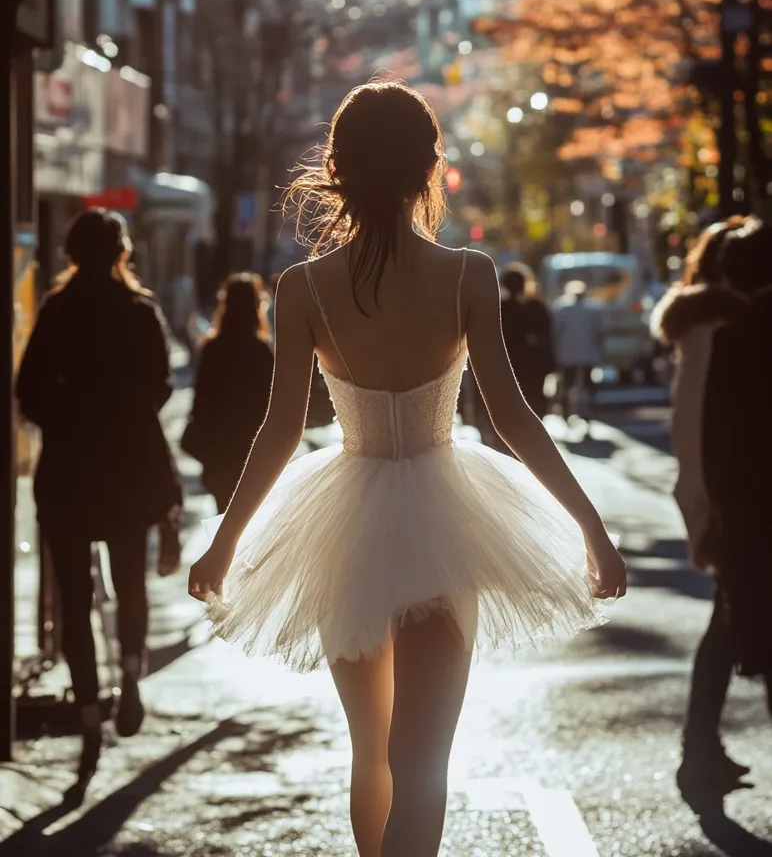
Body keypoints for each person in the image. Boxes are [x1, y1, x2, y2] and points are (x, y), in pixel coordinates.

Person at [188, 81, 626, 857]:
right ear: (430, 168)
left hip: (344, 530)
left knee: (371, 754)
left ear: (338, 168)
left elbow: (279, 430)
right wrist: (591, 530)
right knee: (421, 761)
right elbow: (515, 417)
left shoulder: (300, 289)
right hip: (445, 525)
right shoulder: (468, 275)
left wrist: (226, 542)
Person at [16, 209, 182, 793]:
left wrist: (69, 420)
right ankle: (131, 677)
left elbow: (28, 390)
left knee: (75, 600)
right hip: (128, 470)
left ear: (70, 254)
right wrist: (124, 414)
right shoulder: (140, 313)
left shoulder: (57, 312)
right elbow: (162, 382)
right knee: (129, 582)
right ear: (121, 252)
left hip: (66, 472)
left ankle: (89, 716)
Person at [650, 219, 750, 790]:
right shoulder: (719, 324)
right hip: (726, 492)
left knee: (731, 618)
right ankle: (698, 748)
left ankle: (701, 746)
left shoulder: (704, 323)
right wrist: (707, 502)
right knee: (732, 619)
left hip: (715, 488)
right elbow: (701, 422)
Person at [699, 219, 772, 787]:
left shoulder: (735, 335)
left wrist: (723, 518)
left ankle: (697, 744)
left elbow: (716, 446)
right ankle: (698, 744)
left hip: (756, 520)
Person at [183, 274, 274, 512]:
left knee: (222, 514)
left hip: (219, 448)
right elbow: (270, 405)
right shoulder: (262, 352)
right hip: (251, 450)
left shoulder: (212, 348)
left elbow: (201, 399)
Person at [499, 262, 554, 420]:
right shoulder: (537, 307)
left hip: (509, 366)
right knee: (534, 404)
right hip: (534, 366)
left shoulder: (499, 308)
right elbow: (548, 336)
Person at [552, 280, 603, 420]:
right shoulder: (593, 309)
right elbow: (599, 332)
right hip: (587, 352)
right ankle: (590, 410)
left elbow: (555, 331)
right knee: (587, 384)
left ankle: (566, 411)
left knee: (567, 384)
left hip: (567, 352)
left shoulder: (561, 308)